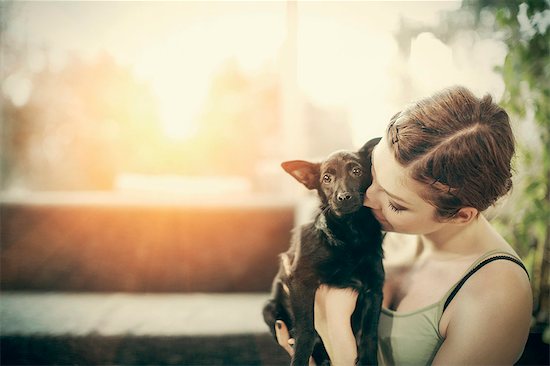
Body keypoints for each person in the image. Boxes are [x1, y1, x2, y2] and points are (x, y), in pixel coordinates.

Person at [274, 86, 533, 365]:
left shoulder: (496, 295)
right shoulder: (383, 231)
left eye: (396, 204)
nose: (368, 199)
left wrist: (334, 331)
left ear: (460, 215)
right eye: (373, 174)